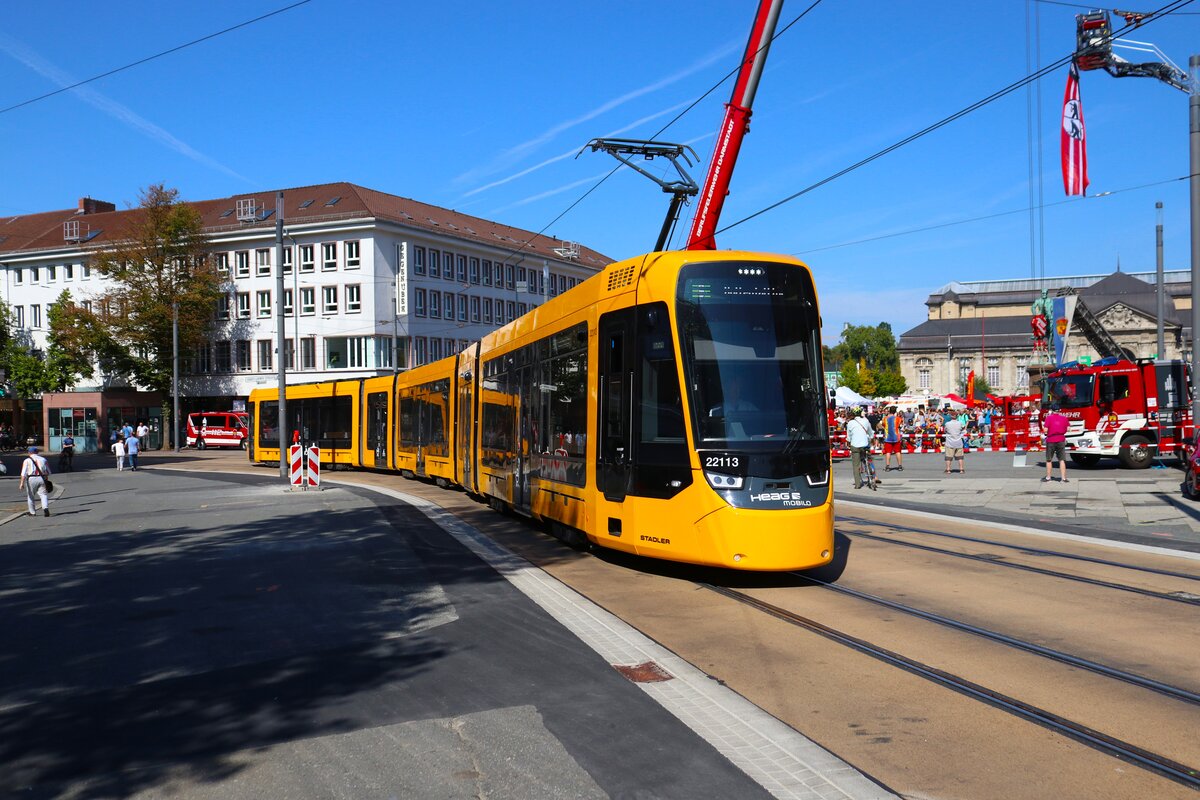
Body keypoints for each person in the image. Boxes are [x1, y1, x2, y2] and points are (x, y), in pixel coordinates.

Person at [845, 407, 876, 489]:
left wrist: (849, 442)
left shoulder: (850, 423)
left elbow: (848, 437)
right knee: (869, 460)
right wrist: (871, 438)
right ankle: (872, 478)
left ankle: (857, 484)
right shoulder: (866, 421)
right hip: (865, 445)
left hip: (855, 445)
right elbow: (871, 432)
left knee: (856, 465)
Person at [19, 445, 52, 517]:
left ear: (29, 452)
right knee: (43, 494)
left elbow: (23, 473)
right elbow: (48, 472)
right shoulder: (43, 459)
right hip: (42, 478)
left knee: (31, 496)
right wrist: (46, 479)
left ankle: (32, 512)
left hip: (31, 478)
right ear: (37, 452)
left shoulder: (26, 460)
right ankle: (45, 508)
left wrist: (21, 483)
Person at [1042, 402, 1070, 483]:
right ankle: (1063, 478)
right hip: (1061, 439)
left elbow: (1045, 430)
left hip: (1051, 440)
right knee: (1062, 459)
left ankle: (1048, 478)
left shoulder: (1048, 418)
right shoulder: (1064, 418)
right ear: (1059, 410)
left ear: (1052, 410)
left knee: (1049, 460)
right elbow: (1068, 429)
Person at [879, 405, 904, 471]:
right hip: (896, 437)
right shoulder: (898, 418)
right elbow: (900, 425)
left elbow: (883, 425)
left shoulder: (885, 418)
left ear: (889, 411)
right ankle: (900, 466)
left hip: (888, 438)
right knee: (898, 452)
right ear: (895, 411)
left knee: (888, 452)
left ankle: (887, 466)